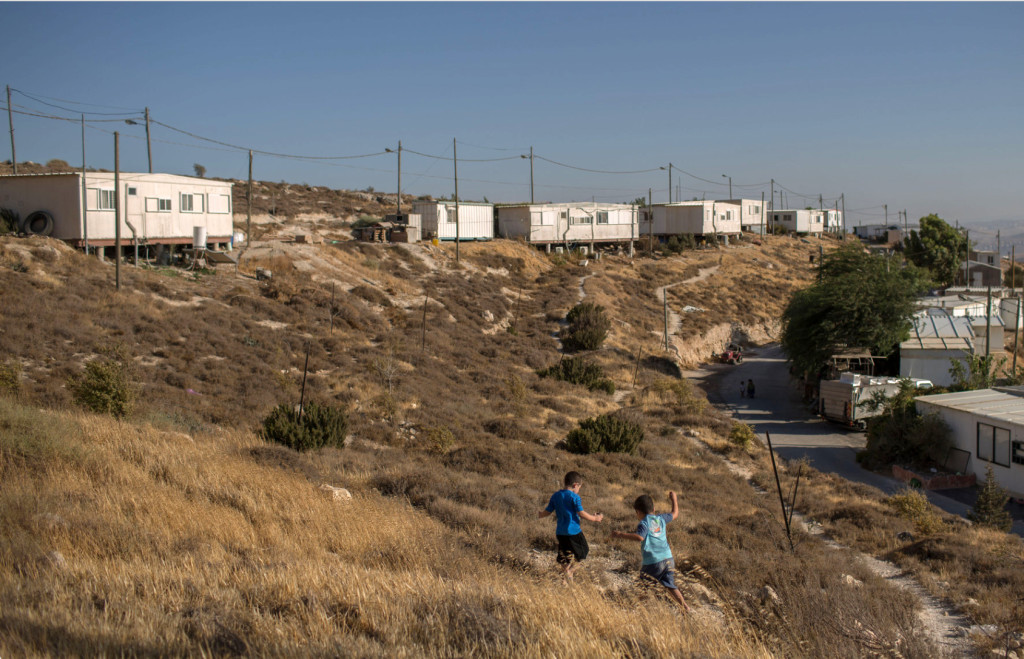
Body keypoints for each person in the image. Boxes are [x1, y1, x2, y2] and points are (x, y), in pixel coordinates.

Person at [611, 491, 689, 611]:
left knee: (643, 586)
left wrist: (620, 534)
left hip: (653, 562)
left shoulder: (643, 523)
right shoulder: (661, 518)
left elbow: (640, 537)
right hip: (668, 558)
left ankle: (634, 608)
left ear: (638, 512)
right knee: (671, 585)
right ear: (653, 508)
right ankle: (685, 607)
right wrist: (674, 499)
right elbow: (675, 513)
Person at [538, 471, 603, 582]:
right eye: (579, 487)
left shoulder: (556, 495)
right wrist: (595, 518)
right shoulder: (575, 497)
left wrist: (539, 514)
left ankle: (566, 581)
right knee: (583, 553)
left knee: (565, 557)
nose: (579, 490)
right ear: (575, 485)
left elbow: (547, 512)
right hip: (574, 532)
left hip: (560, 532)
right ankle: (570, 572)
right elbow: (581, 513)